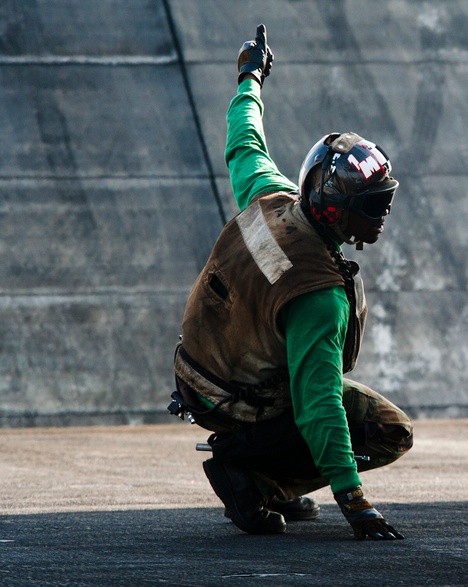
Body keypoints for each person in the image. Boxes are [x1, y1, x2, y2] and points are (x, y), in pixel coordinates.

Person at [168, 24, 411, 540]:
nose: (384, 214)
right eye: (373, 205)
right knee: (387, 429)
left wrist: (249, 77)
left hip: (196, 375)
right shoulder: (318, 294)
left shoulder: (272, 199)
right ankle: (252, 478)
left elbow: (244, 141)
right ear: (337, 210)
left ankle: (257, 466)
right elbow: (318, 400)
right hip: (236, 398)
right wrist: (356, 502)